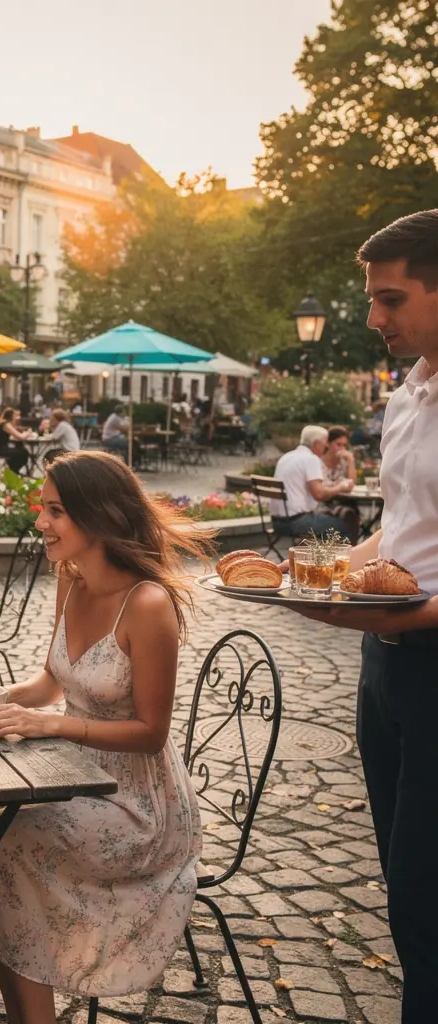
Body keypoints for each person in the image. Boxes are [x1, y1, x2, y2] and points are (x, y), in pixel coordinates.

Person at [0, 450, 209, 1023]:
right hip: (70, 777)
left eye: (56, 511)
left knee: (0, 843)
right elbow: (50, 681)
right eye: (43, 508)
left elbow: (150, 733)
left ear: (98, 515)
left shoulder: (148, 604)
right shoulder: (71, 578)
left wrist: (51, 724)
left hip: (138, 806)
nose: (40, 522)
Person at [296, 210, 438, 1024]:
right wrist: (327, 576)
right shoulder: (410, 394)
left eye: (392, 299)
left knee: (426, 890)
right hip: (386, 666)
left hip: (431, 651)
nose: (375, 318)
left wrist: (385, 613)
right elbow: (403, 525)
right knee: (402, 877)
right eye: (371, 300)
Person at [269, 425, 355, 541]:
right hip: (296, 522)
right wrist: (340, 488)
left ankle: (317, 550)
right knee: (344, 527)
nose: (325, 447)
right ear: (316, 444)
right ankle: (336, 554)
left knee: (331, 521)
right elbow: (319, 494)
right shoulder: (311, 459)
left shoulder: (286, 457)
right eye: (324, 444)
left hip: (277, 522)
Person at [318, 425, 360, 539]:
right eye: (338, 444)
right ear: (328, 443)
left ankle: (351, 544)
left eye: (344, 445)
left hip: (340, 501)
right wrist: (340, 487)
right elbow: (320, 489)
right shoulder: (319, 462)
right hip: (323, 503)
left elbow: (352, 482)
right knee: (349, 514)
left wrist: (351, 461)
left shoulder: (343, 462)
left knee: (350, 510)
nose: (342, 449)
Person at [0, 407, 32, 475]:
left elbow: (12, 435)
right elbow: (20, 437)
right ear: (11, 416)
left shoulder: (3, 423)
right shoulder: (6, 424)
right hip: (0, 449)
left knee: (20, 450)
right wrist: (28, 433)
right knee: (23, 452)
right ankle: (14, 471)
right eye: (14, 416)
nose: (15, 418)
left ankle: (13, 470)